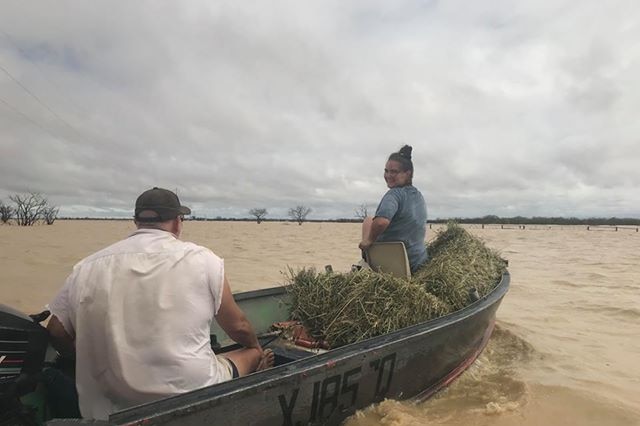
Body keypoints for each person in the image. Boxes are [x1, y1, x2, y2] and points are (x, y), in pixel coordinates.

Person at [46, 187, 274, 420]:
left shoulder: (87, 266)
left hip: (107, 408)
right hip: (192, 393)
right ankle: (258, 371)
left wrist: (82, 357)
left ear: (136, 222)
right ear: (177, 223)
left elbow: (55, 330)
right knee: (251, 352)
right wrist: (255, 344)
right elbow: (239, 327)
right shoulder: (204, 260)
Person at [359, 145, 428, 273]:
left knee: (368, 221)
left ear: (408, 173)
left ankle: (365, 259)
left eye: (394, 172)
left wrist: (368, 240)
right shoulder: (418, 195)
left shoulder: (394, 195)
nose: (388, 175)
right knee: (370, 220)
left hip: (397, 264)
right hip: (418, 261)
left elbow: (381, 222)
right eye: (386, 171)